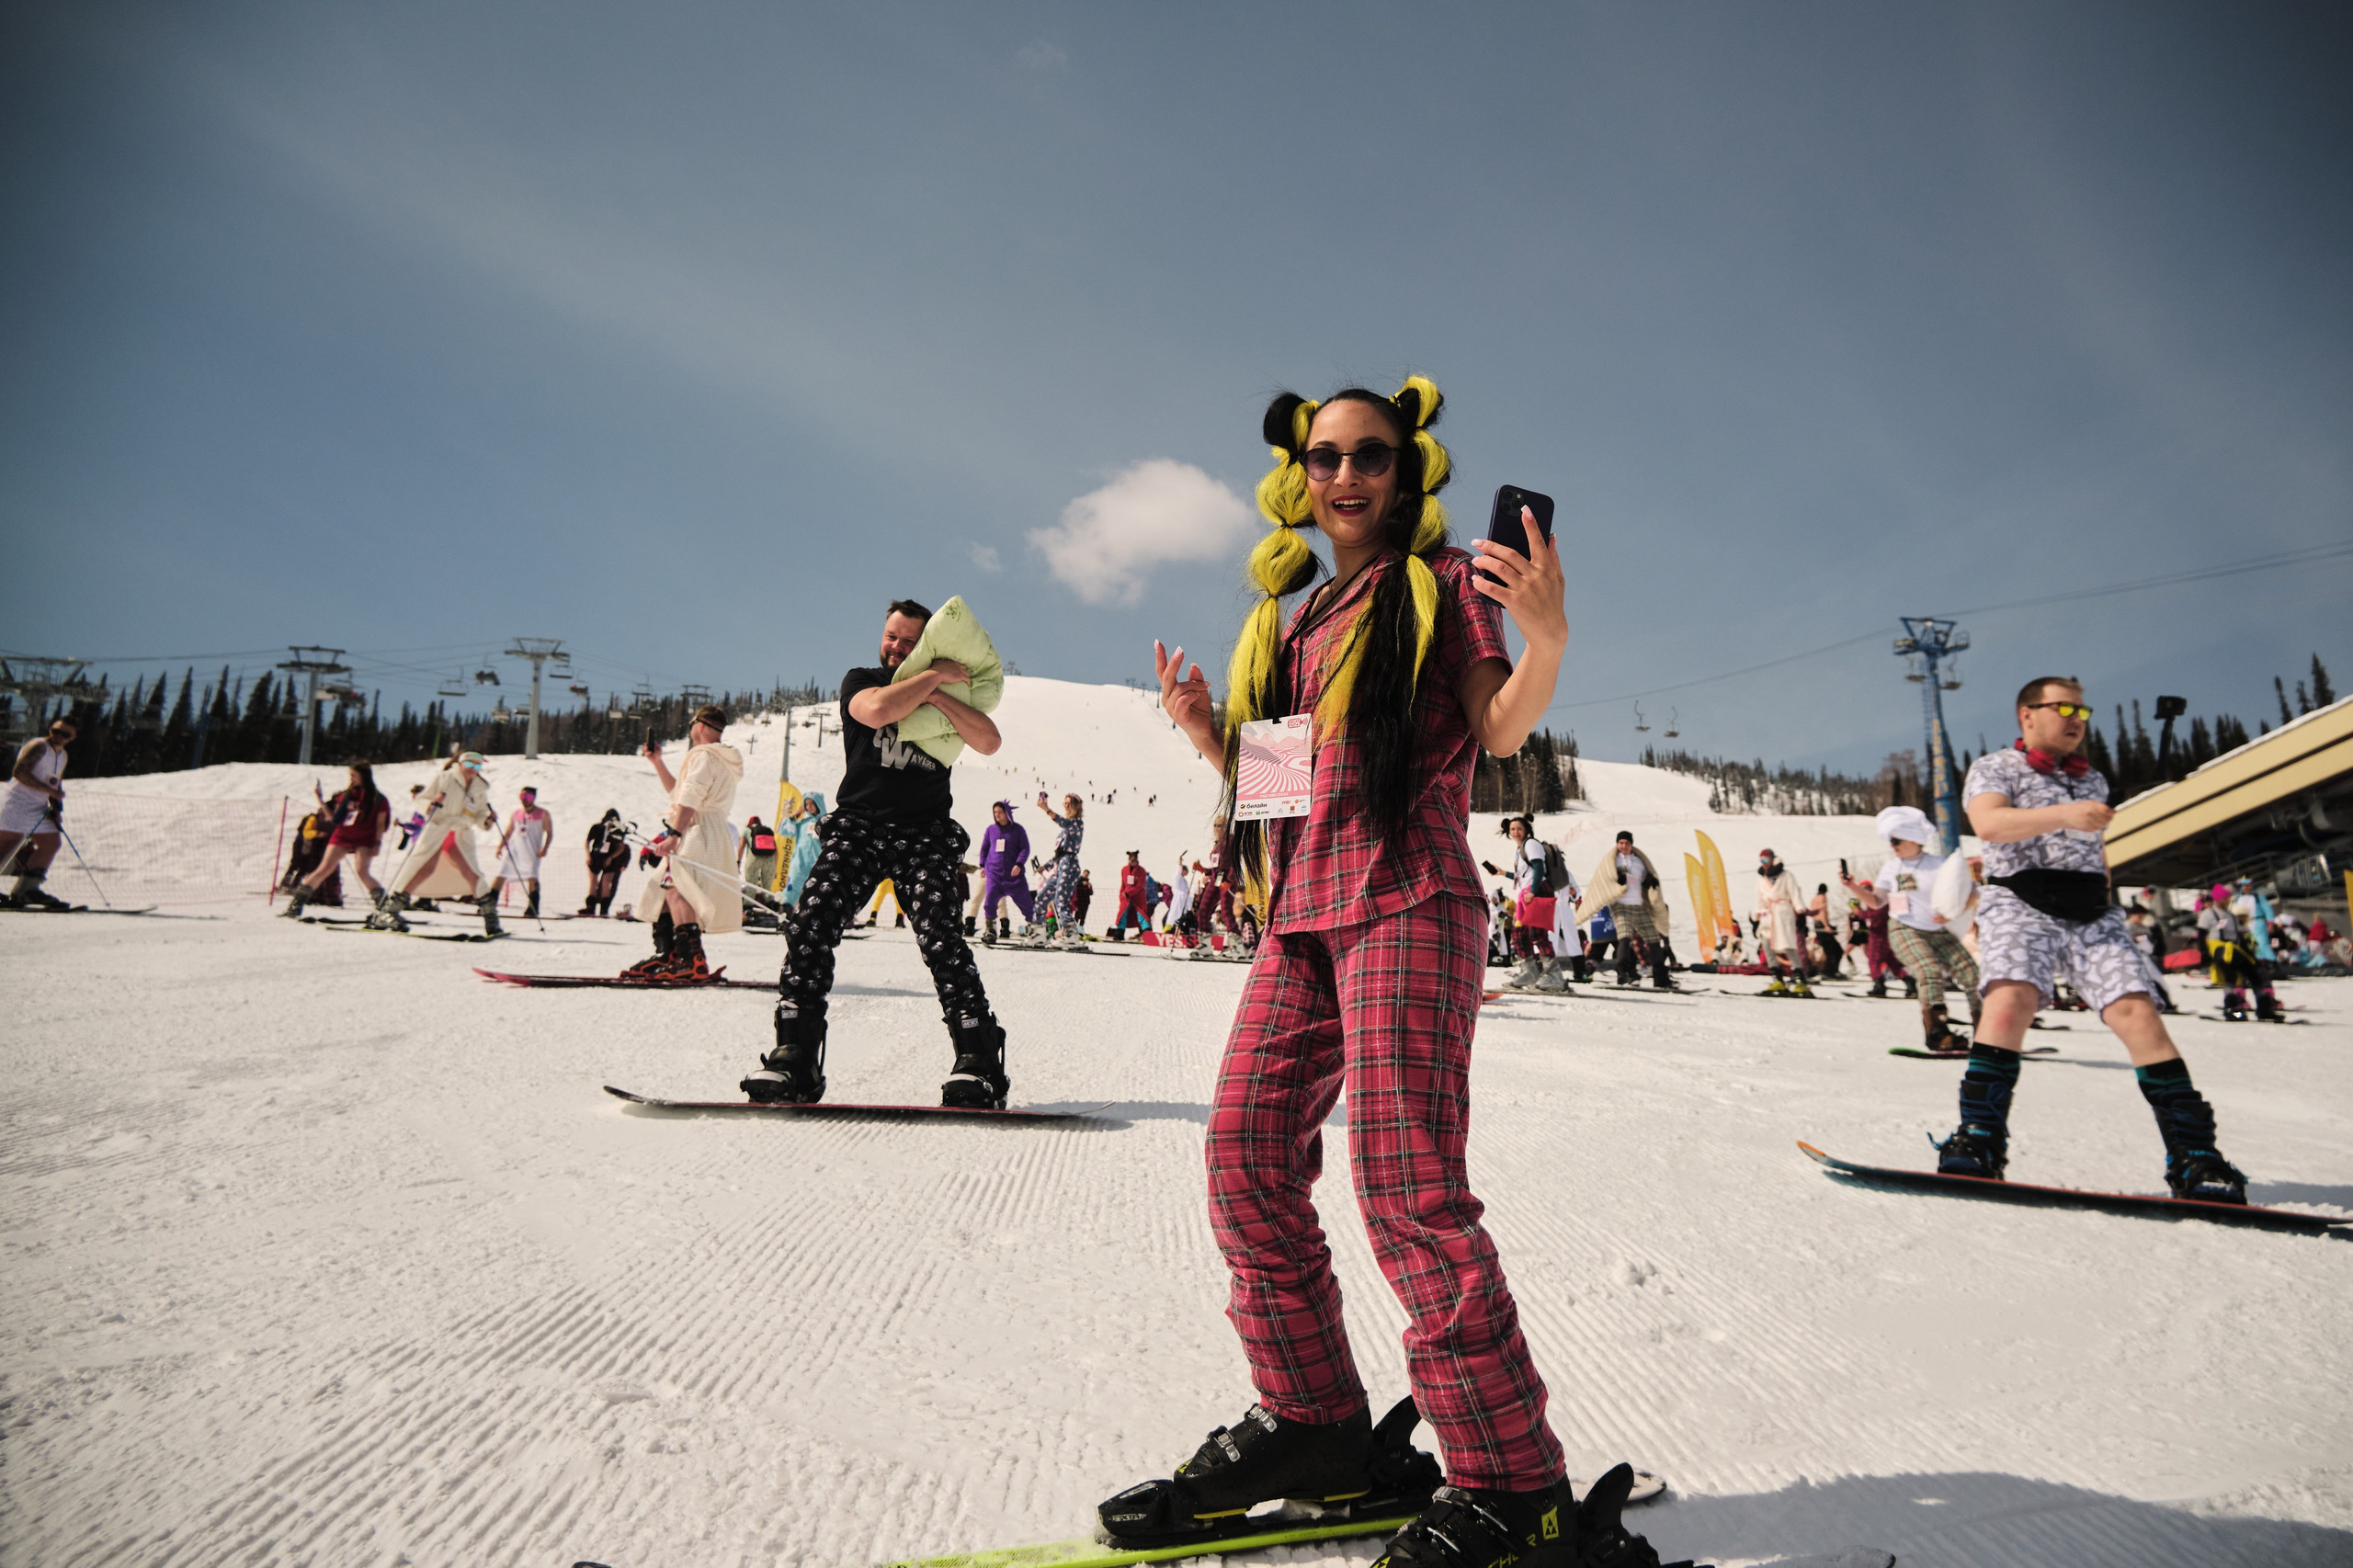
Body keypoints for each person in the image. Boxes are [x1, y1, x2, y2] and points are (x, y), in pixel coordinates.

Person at [1112, 379, 1671, 1568]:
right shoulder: (1299, 620)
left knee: (1407, 1183)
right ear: (1299, 475)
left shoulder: (1439, 590)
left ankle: (1515, 1485)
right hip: (1304, 919)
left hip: (1411, 900)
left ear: (1404, 468)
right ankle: (1316, 1420)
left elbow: (1500, 726)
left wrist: (1548, 638)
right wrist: (1207, 732)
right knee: (1246, 1149)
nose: (1347, 476)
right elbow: (1277, 791)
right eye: (1326, 456)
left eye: (1371, 454)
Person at [1936, 676, 2246, 1202]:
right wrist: (2063, 814)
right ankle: (1980, 1140)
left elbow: (2095, 852)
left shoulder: (2093, 780)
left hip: (2089, 909)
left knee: (2138, 1013)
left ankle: (2196, 1156)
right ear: (2026, 715)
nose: (2076, 718)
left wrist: (2104, 888)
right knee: (2010, 1001)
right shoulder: (1996, 767)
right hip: (2020, 900)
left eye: (2082, 710)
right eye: (2062, 707)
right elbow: (1988, 825)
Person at [741, 598, 1010, 1108]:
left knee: (941, 938)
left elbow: (989, 740)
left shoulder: (945, 689)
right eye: (892, 636)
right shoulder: (861, 679)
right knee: (810, 922)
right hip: (859, 829)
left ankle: (978, 1058)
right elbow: (879, 710)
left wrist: (940, 689)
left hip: (924, 835)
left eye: (910, 641)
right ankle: (794, 1054)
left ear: (926, 645)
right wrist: (932, 679)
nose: (897, 647)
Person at [1844, 805, 1979, 1051]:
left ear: (1914, 839)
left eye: (1896, 840)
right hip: (1904, 928)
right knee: (1928, 970)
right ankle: (1937, 1032)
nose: (1892, 845)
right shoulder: (1891, 868)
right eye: (1890, 840)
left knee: (1972, 974)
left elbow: (1973, 893)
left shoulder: (1941, 864)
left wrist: (1955, 912)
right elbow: (1876, 901)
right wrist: (1853, 887)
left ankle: (1986, 1032)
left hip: (1939, 931)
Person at [626, 705, 745, 983]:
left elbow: (690, 796)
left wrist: (674, 834)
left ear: (700, 726)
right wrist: (657, 762)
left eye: (693, 723)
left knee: (678, 891)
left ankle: (691, 959)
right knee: (664, 889)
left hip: (697, 830)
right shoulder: (718, 757)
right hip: (704, 828)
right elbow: (679, 793)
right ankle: (671, 954)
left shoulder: (704, 755)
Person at [382, 752, 502, 936]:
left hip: (460, 832)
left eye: (478, 767)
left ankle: (491, 918)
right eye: (470, 764)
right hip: (439, 828)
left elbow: (479, 814)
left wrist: (487, 820)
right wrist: (431, 804)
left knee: (471, 871)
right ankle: (389, 911)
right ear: (461, 763)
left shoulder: (480, 788)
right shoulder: (445, 778)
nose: (473, 769)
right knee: (423, 867)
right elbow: (422, 799)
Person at [284, 763, 393, 920]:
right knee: (324, 868)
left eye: (354, 775)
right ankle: (295, 906)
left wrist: (378, 842)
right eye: (350, 776)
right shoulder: (346, 795)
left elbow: (381, 824)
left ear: (364, 776)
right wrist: (320, 800)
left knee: (362, 871)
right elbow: (334, 818)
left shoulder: (378, 799)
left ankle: (385, 906)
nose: (351, 779)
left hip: (365, 837)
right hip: (343, 835)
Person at [1575, 830, 1674, 990]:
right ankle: (1625, 974)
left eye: (1626, 843)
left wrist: (1649, 880)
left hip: (1639, 904)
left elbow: (1644, 877)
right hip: (1620, 904)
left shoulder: (1639, 861)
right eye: (1621, 843)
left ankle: (1660, 977)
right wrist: (1618, 878)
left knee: (1653, 939)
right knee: (1624, 937)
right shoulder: (1612, 861)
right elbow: (1605, 877)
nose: (1623, 846)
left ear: (1631, 844)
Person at [0, 716, 75, 909]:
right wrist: (50, 792)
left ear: (73, 737)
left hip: (37, 807)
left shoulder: (63, 756)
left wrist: (56, 809)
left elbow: (54, 782)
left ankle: (26, 891)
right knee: (6, 844)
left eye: (65, 734)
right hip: (16, 803)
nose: (58, 736)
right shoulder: (39, 746)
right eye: (55, 731)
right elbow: (19, 772)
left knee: (51, 842)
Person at [1751, 847, 1811, 996]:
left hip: (1783, 913)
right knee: (1766, 945)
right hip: (1768, 914)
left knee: (1788, 945)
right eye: (1761, 860)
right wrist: (1756, 920)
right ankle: (1777, 979)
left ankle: (1800, 980)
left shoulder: (1786, 875)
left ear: (1772, 859)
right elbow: (1760, 900)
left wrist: (1800, 911)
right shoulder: (1760, 879)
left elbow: (1794, 894)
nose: (1764, 863)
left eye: (1766, 860)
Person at [488, 787, 554, 920]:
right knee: (502, 875)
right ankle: (489, 903)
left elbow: (549, 832)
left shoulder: (543, 813)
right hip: (515, 851)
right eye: (523, 797)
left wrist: (545, 848)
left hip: (532, 851)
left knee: (532, 877)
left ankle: (533, 907)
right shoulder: (516, 813)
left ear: (534, 798)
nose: (525, 800)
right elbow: (509, 832)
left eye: (528, 797)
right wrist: (501, 846)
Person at [975, 799, 1033, 943]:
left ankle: (1035, 929)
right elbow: (985, 848)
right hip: (994, 874)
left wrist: (1019, 864)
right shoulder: (991, 830)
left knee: (1026, 903)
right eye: (995, 812)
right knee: (989, 903)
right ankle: (990, 930)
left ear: (1007, 813)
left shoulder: (1018, 830)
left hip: (1014, 876)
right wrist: (982, 865)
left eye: (1000, 812)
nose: (997, 815)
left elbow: (1025, 848)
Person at [1034, 791, 1086, 945]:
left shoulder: (1076, 823)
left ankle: (1070, 935)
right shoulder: (1063, 832)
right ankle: (1038, 933)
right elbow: (1060, 853)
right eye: (1065, 802)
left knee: (1061, 901)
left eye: (1070, 802)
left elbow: (1064, 822)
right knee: (1041, 898)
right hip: (1059, 868)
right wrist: (1046, 866)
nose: (1066, 804)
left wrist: (1047, 809)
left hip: (1069, 867)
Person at [582, 809, 631, 916]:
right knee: (593, 881)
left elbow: (621, 847)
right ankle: (590, 907)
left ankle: (604, 909)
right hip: (596, 856)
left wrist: (611, 857)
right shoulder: (597, 828)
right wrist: (588, 855)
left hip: (610, 859)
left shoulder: (618, 830)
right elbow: (587, 841)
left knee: (606, 883)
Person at [1109, 849, 1152, 940]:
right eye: (1131, 860)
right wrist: (1121, 894)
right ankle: (1120, 933)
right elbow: (1123, 884)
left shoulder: (1141, 871)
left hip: (1138, 896)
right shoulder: (1124, 870)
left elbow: (1140, 885)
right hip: (1126, 897)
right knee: (1122, 914)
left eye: (1135, 861)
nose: (1133, 862)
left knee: (1141, 914)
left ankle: (1147, 931)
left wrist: (1129, 892)